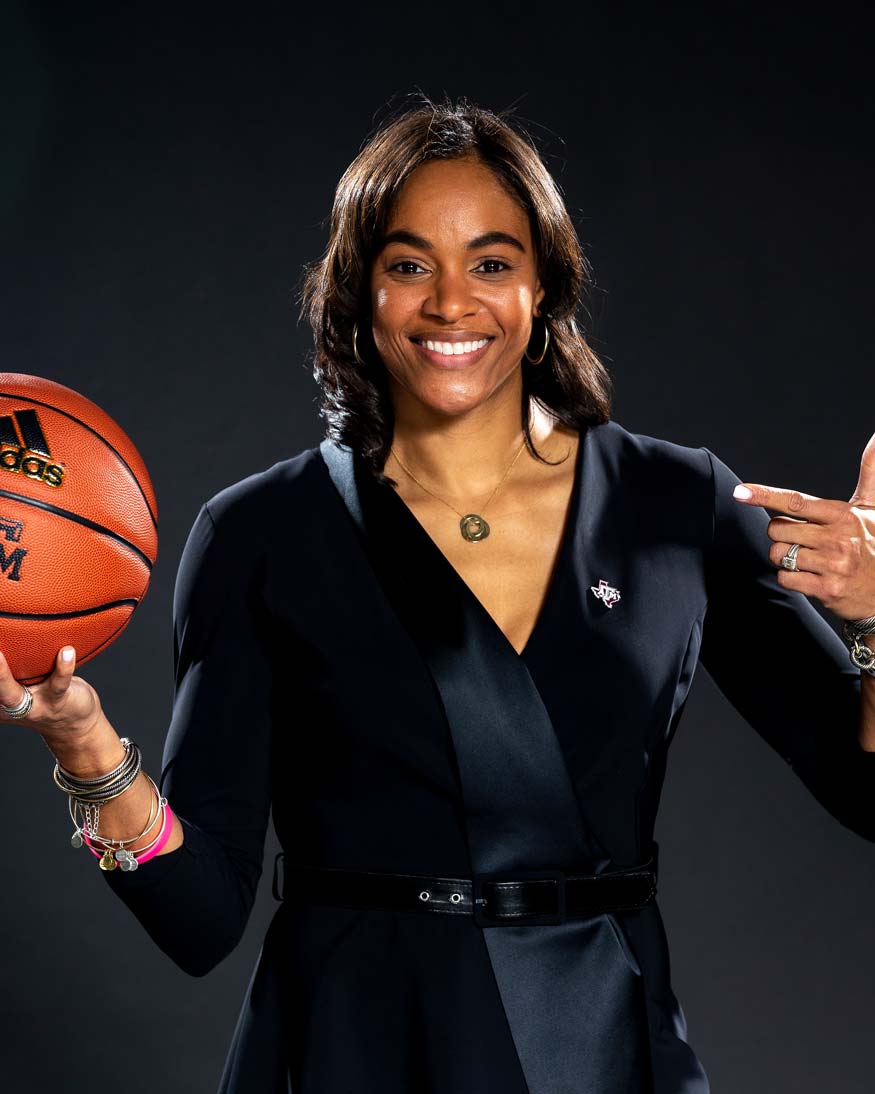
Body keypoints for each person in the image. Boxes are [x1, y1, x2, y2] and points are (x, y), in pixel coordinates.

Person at [3, 98, 875, 1094]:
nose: (449, 301)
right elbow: (200, 919)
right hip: (342, 1043)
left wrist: (874, 619)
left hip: (595, 1047)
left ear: (542, 285)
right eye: (408, 263)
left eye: (491, 263)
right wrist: (82, 742)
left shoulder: (678, 504)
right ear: (358, 290)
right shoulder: (259, 532)